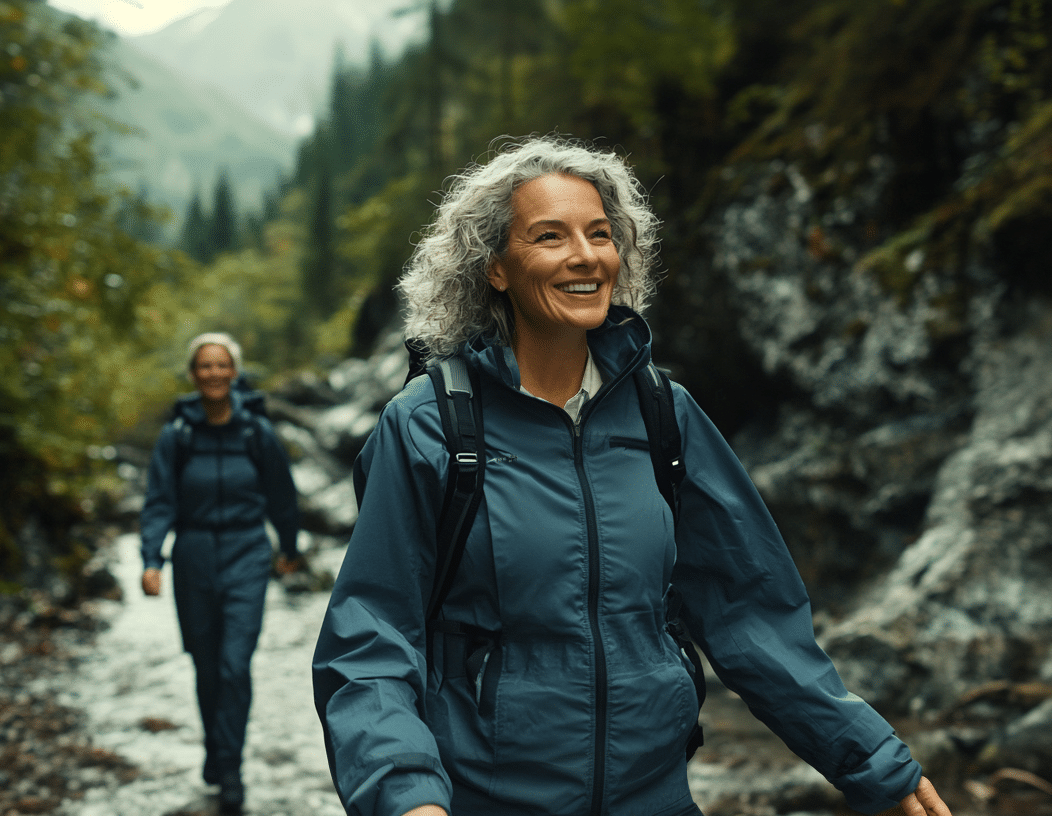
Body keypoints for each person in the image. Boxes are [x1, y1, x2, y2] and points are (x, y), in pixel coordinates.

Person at [311, 136, 954, 816]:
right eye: (549, 237)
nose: (586, 256)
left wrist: (874, 764)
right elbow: (371, 639)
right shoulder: (430, 425)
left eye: (599, 234)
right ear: (494, 267)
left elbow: (750, 613)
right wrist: (404, 794)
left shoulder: (662, 414)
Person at [139, 332, 302, 814]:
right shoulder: (177, 436)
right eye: (203, 367)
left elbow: (282, 494)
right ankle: (216, 748)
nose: (212, 374)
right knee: (206, 666)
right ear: (193, 376)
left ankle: (229, 768)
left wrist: (289, 546)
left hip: (247, 552)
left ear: (234, 373)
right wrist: (151, 557)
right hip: (191, 556)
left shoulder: (256, 433)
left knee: (234, 664)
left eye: (221, 365)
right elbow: (159, 500)